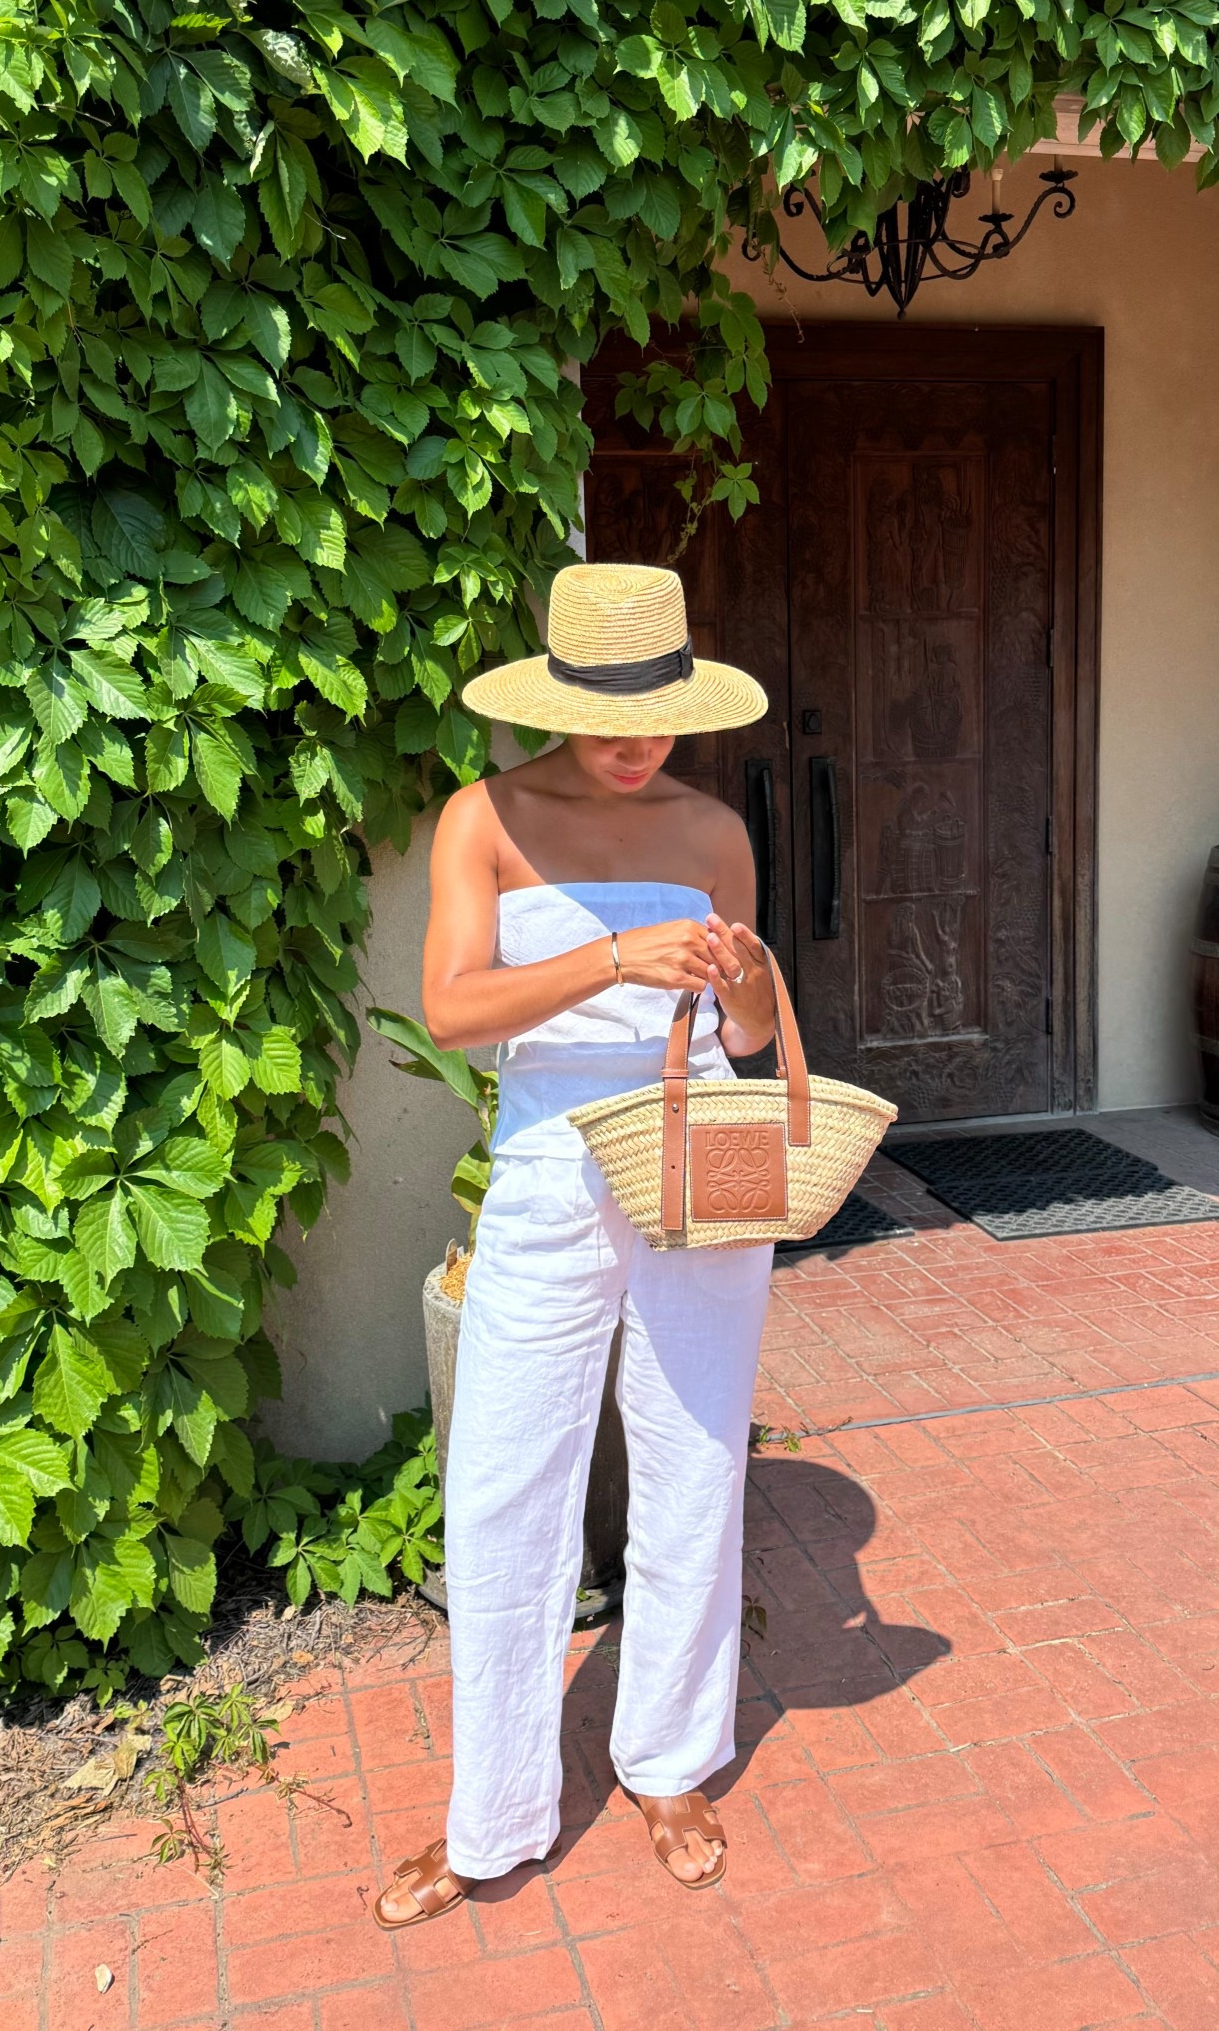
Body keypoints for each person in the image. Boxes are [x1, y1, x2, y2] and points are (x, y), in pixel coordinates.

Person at [373, 563, 778, 1929]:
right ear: (553, 699)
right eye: (610, 717)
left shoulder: (716, 825)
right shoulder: (483, 818)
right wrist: (616, 961)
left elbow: (757, 1040)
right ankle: (489, 1818)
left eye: (658, 714)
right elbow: (451, 1009)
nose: (636, 742)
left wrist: (746, 980)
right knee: (499, 1484)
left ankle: (669, 1758)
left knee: (694, 1459)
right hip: (551, 1168)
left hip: (699, 1154)